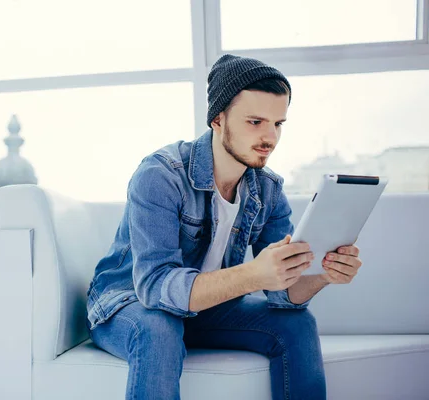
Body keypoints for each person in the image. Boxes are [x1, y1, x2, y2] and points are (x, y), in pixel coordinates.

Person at [85, 54, 364, 400]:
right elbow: (154, 288)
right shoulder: (160, 175)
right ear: (217, 119)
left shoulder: (268, 190)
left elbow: (282, 295)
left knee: (298, 323)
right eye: (255, 121)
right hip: (127, 303)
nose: (270, 137)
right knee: (159, 328)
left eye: (278, 124)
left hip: (206, 308)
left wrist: (323, 274)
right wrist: (253, 275)